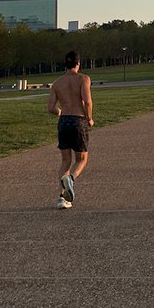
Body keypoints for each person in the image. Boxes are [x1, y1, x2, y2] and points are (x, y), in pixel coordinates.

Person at [47, 49, 94, 209]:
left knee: (65, 160)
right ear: (78, 63)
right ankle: (71, 180)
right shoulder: (83, 79)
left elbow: (51, 107)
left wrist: (60, 112)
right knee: (81, 159)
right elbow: (87, 101)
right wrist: (89, 118)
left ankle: (62, 197)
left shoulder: (57, 83)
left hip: (64, 121)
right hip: (78, 120)